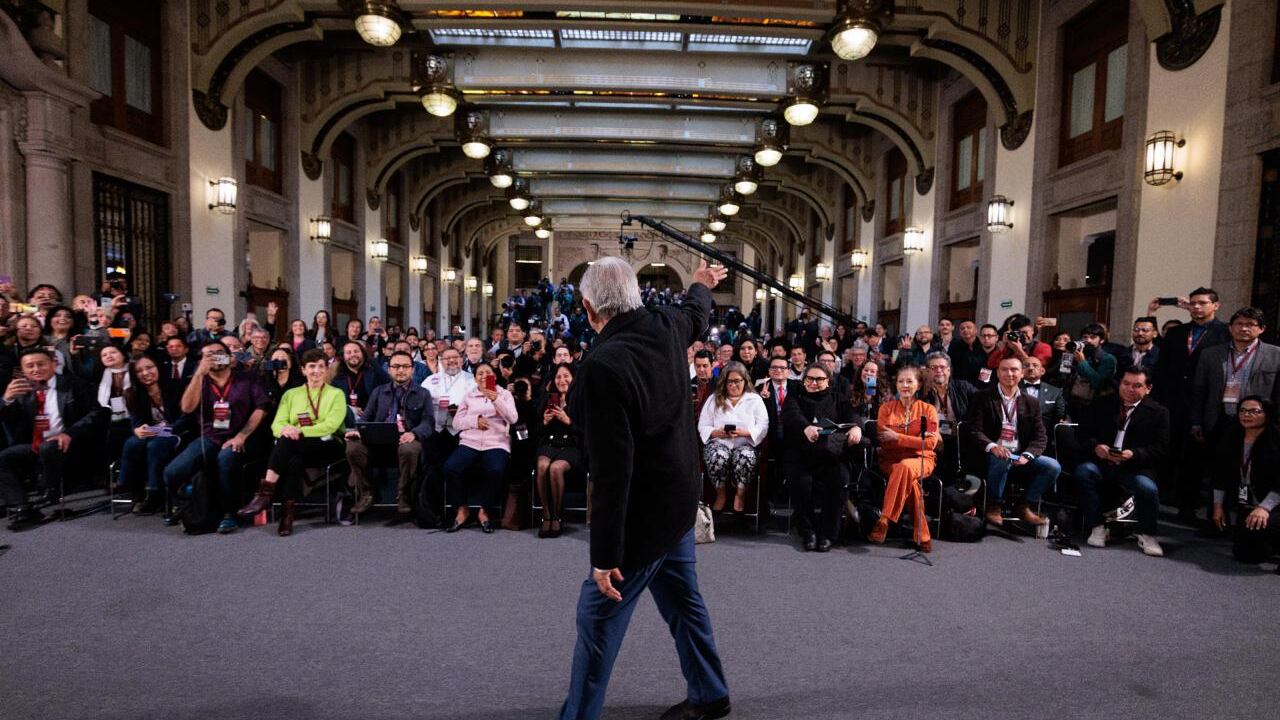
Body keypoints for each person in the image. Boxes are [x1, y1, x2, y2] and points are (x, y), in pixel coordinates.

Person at [559, 258, 729, 720]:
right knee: (683, 601)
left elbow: (612, 474)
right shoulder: (666, 324)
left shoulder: (601, 366)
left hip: (643, 517)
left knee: (596, 617)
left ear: (590, 309)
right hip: (679, 500)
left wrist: (604, 557)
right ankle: (711, 694)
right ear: (635, 297)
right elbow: (696, 311)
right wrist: (700, 281)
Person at [237, 349, 347, 536]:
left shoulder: (336, 394)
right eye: (312, 367)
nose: (316, 371)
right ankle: (287, 516)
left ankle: (264, 494)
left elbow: (330, 425)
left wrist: (298, 430)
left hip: (328, 444)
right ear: (303, 370)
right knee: (292, 457)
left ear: (327, 369)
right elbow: (277, 424)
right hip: (296, 446)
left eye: (321, 366)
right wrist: (286, 430)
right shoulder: (291, 394)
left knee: (287, 443)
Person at [165, 342, 269, 533]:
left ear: (230, 358)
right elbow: (187, 408)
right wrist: (198, 374)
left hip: (240, 437)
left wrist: (241, 436)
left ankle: (230, 514)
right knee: (173, 472)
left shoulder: (247, 379)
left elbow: (261, 407)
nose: (214, 357)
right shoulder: (199, 381)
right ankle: (185, 503)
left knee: (226, 458)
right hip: (210, 437)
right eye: (208, 355)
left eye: (219, 353)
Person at [1151, 287, 1230, 524]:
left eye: (1203, 303)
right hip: (1172, 403)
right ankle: (1156, 502)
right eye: (1193, 303)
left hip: (1206, 405)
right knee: (1167, 453)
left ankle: (1189, 507)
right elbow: (1161, 369)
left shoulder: (1225, 333)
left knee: (1196, 460)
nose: (1197, 307)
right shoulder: (1177, 333)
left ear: (1215, 305)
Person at [0, 349, 103, 529]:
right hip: (34, 444)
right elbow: (11, 420)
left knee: (49, 447)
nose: (36, 369)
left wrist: (69, 433)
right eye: (30, 366)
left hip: (70, 444)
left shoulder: (74, 384)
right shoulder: (21, 389)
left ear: (53, 364)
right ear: (23, 370)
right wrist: (7, 400)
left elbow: (96, 413)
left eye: (41, 364)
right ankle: (21, 506)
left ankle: (50, 491)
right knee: (3, 458)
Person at [1074, 367, 1170, 557]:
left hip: (1134, 467)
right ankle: (1097, 526)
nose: (1129, 389)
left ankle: (1148, 534)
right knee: (1084, 472)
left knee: (1147, 488)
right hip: (1102, 463)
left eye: (1137, 386)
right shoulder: (1103, 403)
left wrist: (1133, 454)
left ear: (1148, 388)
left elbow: (1161, 449)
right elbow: (1082, 434)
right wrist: (1096, 447)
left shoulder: (1159, 412)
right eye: (1125, 384)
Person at [965, 356, 1059, 527]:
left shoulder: (1031, 402)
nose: (1010, 373)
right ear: (997, 373)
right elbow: (974, 430)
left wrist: (1028, 455)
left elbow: (1040, 436)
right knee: (1000, 459)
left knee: (1052, 466)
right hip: (990, 456)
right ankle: (994, 506)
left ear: (1022, 373)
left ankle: (1024, 505)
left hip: (1019, 455)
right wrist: (993, 446)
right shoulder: (982, 397)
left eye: (1014, 370)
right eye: (1004, 369)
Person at [783, 363, 865, 553]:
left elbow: (853, 414)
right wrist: (806, 427)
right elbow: (790, 414)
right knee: (801, 482)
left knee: (839, 480)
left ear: (828, 381)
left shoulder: (837, 397)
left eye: (819, 379)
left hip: (830, 455)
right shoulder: (795, 394)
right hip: (801, 454)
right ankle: (808, 531)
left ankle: (827, 534)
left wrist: (856, 427)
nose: (814, 383)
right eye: (810, 378)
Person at [344, 350, 435, 515]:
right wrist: (357, 431)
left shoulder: (422, 393)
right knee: (353, 447)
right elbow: (366, 418)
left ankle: (404, 494)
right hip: (378, 441)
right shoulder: (379, 392)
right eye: (396, 366)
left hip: (406, 441)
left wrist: (414, 433)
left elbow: (428, 422)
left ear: (413, 369)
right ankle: (368, 492)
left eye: (405, 366)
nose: (400, 370)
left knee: (410, 448)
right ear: (389, 369)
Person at [869, 363, 940, 552]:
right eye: (901, 381)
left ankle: (885, 519)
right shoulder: (886, 409)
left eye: (910, 381)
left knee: (907, 467)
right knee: (910, 480)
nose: (905, 385)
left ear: (918, 384)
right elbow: (885, 442)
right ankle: (922, 535)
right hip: (891, 460)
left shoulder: (928, 410)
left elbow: (930, 444)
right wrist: (914, 440)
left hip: (922, 460)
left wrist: (898, 436)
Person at [443, 363, 518, 533]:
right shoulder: (469, 395)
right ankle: (462, 508)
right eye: (480, 374)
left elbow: (513, 418)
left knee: (496, 470)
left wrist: (495, 399)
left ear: (495, 376)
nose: (484, 376)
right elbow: (456, 422)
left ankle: (484, 510)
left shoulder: (504, 394)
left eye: (488, 373)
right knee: (450, 467)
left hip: (496, 441)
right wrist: (474, 421)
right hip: (470, 441)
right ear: (475, 378)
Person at [1192, 307, 1280, 444]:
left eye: (1250, 324)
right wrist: (1196, 422)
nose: (1244, 328)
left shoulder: (1275, 355)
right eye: (1239, 324)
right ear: (1230, 328)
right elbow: (1199, 390)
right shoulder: (1210, 354)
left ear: (1262, 329)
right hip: (1218, 420)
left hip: (1258, 423)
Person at [1211, 396, 1280, 563]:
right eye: (1242, 410)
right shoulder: (1232, 438)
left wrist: (1264, 508)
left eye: (1254, 411)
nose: (1246, 415)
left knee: (1263, 527)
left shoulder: (1276, 441)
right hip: (1247, 501)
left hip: (1273, 503)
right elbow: (1220, 474)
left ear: (1266, 414)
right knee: (1244, 555)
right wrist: (1218, 506)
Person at [119, 355, 187, 513]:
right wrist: (137, 430)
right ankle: (130, 488)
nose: (145, 373)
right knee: (133, 442)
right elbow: (135, 422)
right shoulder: (132, 393)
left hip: (176, 432)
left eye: (149, 367)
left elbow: (186, 418)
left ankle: (154, 492)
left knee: (156, 444)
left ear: (158, 368)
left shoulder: (177, 386)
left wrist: (166, 429)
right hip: (153, 433)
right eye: (139, 371)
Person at [697, 361, 768, 513]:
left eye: (737, 381)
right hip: (720, 441)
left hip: (745, 443)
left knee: (744, 456)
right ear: (724, 382)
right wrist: (716, 432)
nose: (733, 385)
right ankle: (720, 494)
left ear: (745, 381)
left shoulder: (755, 400)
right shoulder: (714, 399)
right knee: (718, 456)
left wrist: (746, 432)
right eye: (730, 381)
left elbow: (763, 426)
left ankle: (740, 494)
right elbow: (703, 425)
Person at [535, 363, 580, 538]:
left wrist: (568, 421)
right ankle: (546, 515)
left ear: (574, 378)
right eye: (558, 377)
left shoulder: (581, 399)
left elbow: (587, 431)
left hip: (572, 446)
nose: (562, 380)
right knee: (542, 466)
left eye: (566, 376)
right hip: (549, 444)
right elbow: (536, 431)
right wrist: (545, 422)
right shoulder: (548, 399)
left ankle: (558, 516)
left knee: (555, 468)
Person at [921, 351, 975, 482]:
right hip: (934, 440)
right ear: (927, 371)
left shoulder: (963, 387)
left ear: (949, 370)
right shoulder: (922, 392)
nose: (938, 371)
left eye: (942, 367)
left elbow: (982, 404)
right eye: (933, 368)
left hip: (960, 440)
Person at [421, 347, 476, 465]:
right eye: (447, 358)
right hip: (436, 429)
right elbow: (422, 403)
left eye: (455, 357)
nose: (451, 360)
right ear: (441, 361)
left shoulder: (472, 380)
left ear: (462, 360)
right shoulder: (430, 380)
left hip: (462, 431)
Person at [1021, 355, 1067, 458]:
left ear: (1042, 371)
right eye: (1026, 365)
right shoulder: (1011, 388)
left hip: (1043, 442)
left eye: (1035, 365)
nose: (1030, 368)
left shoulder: (1055, 392)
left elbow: (1060, 415)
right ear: (1021, 371)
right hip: (1015, 439)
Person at [331, 341, 389, 419]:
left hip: (372, 420)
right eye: (348, 352)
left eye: (356, 351)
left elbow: (388, 384)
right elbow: (332, 403)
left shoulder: (375, 373)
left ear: (363, 353)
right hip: (347, 421)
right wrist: (349, 409)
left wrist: (371, 361)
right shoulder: (337, 379)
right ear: (343, 357)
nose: (353, 354)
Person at [1115, 317, 1161, 381]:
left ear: (1155, 334)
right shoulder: (1123, 353)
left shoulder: (1160, 355)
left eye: (1145, 330)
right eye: (1136, 330)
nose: (1140, 333)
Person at [690, 349, 715, 418]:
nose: (701, 369)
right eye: (698, 366)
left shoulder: (720, 385)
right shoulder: (689, 386)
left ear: (712, 365)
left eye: (705, 366)